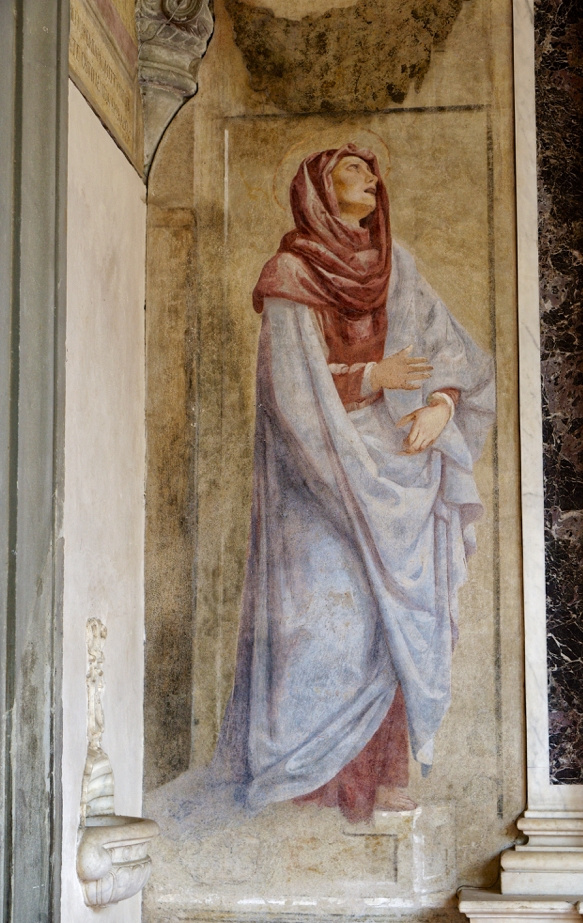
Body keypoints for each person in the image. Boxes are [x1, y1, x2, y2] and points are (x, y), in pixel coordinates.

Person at [214, 143, 495, 823]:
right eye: (351, 171)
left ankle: (386, 779)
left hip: (394, 468)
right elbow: (293, 393)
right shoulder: (289, 274)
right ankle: (309, 786)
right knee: (323, 628)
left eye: (370, 170)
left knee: (394, 620)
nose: (369, 179)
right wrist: (373, 378)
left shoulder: (396, 268)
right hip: (317, 478)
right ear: (318, 188)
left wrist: (439, 405)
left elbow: (450, 349)